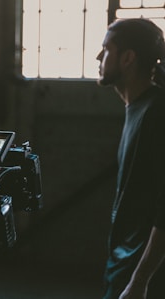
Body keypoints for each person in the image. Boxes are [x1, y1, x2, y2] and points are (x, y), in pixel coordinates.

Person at [96, 18, 165, 299]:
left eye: (106, 49)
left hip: (144, 274)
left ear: (128, 58)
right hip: (124, 263)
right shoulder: (139, 107)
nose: (99, 57)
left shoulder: (157, 112)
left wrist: (140, 280)